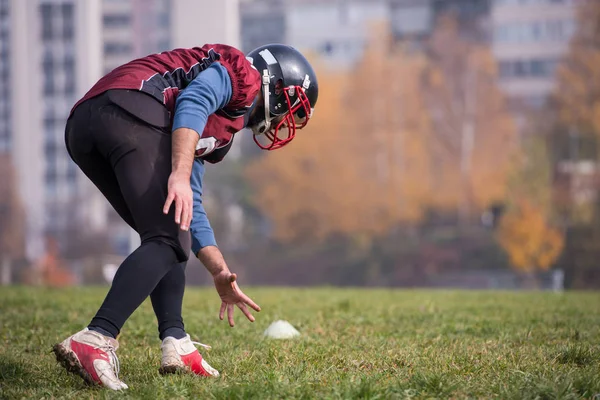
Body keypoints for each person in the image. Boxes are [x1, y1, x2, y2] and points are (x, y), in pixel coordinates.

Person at [52, 43, 319, 390]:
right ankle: (96, 337)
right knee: (167, 238)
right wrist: (177, 173)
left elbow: (189, 203)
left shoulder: (222, 125)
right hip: (127, 109)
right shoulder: (245, 77)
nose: (284, 122)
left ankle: (175, 341)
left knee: (173, 225)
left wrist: (219, 270)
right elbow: (193, 101)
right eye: (290, 109)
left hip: (89, 122)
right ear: (278, 88)